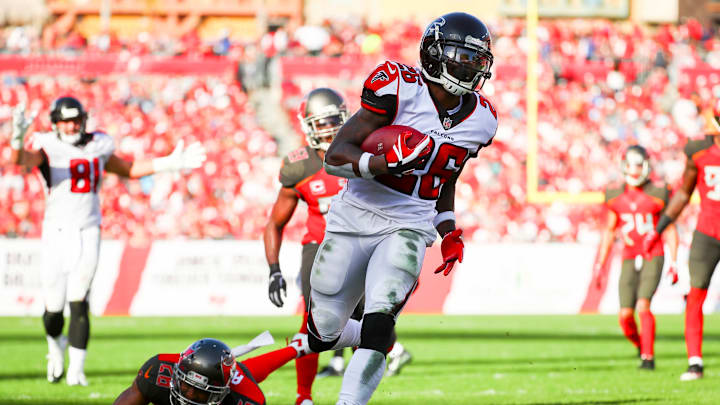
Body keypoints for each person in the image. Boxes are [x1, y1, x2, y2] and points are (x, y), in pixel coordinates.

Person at [308, 12, 497, 405]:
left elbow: (447, 175)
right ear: (434, 54)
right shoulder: (398, 86)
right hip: (354, 214)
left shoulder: (481, 118)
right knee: (321, 330)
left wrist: (448, 228)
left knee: (381, 317)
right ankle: (360, 339)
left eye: (477, 59)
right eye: (461, 55)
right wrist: (379, 164)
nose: (471, 66)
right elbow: (334, 156)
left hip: (409, 223)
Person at [9, 97, 206, 386]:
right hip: (56, 232)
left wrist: (169, 163)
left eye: (76, 119)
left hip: (89, 228)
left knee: (80, 300)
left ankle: (76, 370)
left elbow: (127, 168)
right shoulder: (47, 145)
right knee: (53, 310)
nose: (72, 125)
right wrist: (16, 137)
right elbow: (20, 161)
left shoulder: (99, 144)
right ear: (56, 123)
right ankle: (55, 347)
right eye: (66, 120)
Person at [263, 88, 411, 405]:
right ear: (308, 127)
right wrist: (274, 270)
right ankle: (304, 397)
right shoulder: (299, 166)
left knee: (371, 322)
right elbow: (275, 223)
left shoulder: (365, 149)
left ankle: (359, 387)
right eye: (322, 122)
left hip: (362, 241)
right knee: (313, 322)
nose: (330, 129)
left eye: (334, 120)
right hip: (320, 246)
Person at [642, 103, 720, 381]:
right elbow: (684, 193)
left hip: (709, 230)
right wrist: (660, 226)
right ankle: (695, 362)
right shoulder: (698, 150)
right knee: (696, 296)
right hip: (708, 232)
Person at [592, 145, 678, 370]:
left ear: (646, 166)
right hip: (630, 255)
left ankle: (648, 358)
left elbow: (669, 229)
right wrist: (600, 263)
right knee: (625, 315)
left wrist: (675, 261)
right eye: (630, 164)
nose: (634, 169)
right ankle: (642, 347)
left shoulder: (659, 191)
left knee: (643, 305)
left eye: (638, 164)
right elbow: (609, 231)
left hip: (653, 253)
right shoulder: (614, 194)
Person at [112, 335, 311, 405]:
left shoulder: (246, 398)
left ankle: (297, 348)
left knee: (245, 371)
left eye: (199, 392)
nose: (188, 396)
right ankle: (296, 347)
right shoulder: (158, 370)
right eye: (186, 385)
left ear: (221, 392)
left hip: (236, 380)